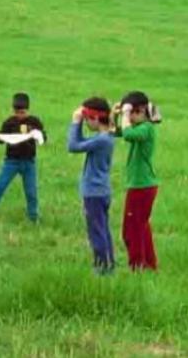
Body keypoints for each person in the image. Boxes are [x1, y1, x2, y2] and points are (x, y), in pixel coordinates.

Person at [114, 91, 162, 271]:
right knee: (141, 227)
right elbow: (116, 131)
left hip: (142, 186)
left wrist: (125, 114)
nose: (130, 118)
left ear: (141, 111)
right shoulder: (139, 128)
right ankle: (149, 263)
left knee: (131, 230)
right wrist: (117, 114)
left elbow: (127, 135)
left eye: (132, 113)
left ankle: (137, 265)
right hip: (141, 186)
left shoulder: (147, 128)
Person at [67, 98, 116, 275]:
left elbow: (73, 146)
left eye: (87, 119)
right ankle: (108, 264)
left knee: (97, 232)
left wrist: (74, 122)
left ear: (95, 118)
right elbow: (80, 142)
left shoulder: (102, 140)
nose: (86, 122)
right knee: (102, 229)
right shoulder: (104, 137)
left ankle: (102, 267)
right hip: (100, 191)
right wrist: (79, 124)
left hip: (94, 192)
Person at [0, 93, 46, 222]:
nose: (20, 116)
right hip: (11, 162)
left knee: (31, 192)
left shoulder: (34, 122)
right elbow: (2, 137)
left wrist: (39, 135)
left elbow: (43, 136)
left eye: (22, 112)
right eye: (17, 112)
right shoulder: (9, 122)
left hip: (29, 163)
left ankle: (33, 217)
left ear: (28, 109)